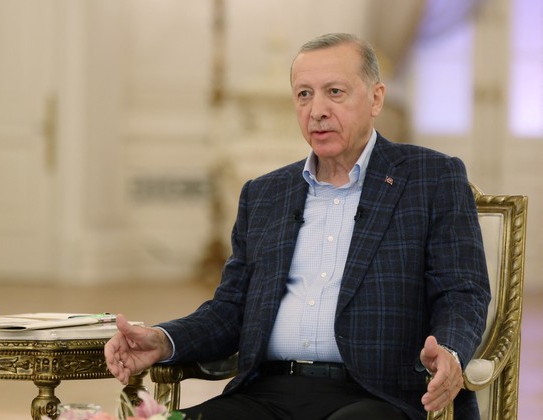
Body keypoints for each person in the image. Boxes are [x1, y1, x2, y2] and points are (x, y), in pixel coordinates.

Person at [105, 32, 491, 420]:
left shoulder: (431, 177)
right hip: (267, 393)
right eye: (304, 94)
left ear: (376, 98)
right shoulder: (265, 194)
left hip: (379, 396)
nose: (316, 110)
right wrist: (163, 339)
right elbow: (230, 310)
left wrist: (450, 350)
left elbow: (462, 291)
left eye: (334, 92)